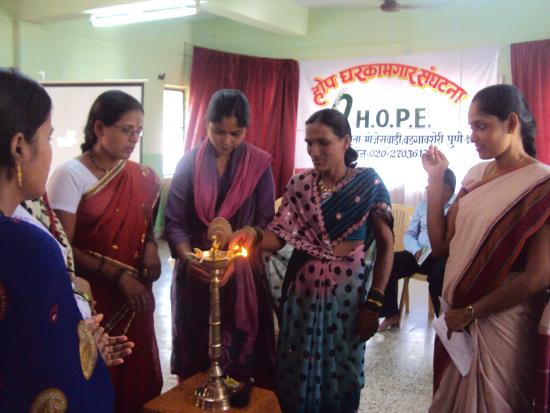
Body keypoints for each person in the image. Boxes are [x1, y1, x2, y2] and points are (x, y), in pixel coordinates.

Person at [231, 108, 394, 413]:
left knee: (341, 372)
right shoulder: (300, 186)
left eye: (323, 143)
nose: (314, 151)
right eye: (309, 143)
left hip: (348, 302)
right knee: (296, 367)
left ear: (346, 141)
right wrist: (252, 234)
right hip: (302, 297)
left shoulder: (368, 184)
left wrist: (374, 304)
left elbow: (386, 246)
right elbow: (278, 237)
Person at [423, 84, 549, 412]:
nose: (473, 136)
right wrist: (436, 180)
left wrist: (472, 312)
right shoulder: (476, 175)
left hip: (501, 323)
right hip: (457, 319)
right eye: (471, 127)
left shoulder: (541, 185)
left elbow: (536, 277)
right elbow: (439, 246)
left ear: (510, 123)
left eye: (482, 126)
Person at [0, 68, 115, 412]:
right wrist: (88, 354)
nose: (52, 151)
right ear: (19, 146)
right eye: (49, 137)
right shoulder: (26, 247)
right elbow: (59, 381)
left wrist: (79, 339)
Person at [47, 90, 162, 412]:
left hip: (135, 294)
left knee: (136, 369)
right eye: (127, 130)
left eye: (139, 131)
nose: (134, 138)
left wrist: (152, 246)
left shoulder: (142, 175)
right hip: (95, 297)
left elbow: (146, 226)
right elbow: (64, 249)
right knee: (101, 372)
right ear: (99, 129)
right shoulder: (70, 175)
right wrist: (118, 275)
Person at [164, 89, 276, 386]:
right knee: (197, 362)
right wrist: (190, 259)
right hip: (197, 273)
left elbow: (267, 219)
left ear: (246, 130)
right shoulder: (188, 163)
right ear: (205, 123)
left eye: (235, 134)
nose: (226, 141)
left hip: (242, 273)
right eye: (218, 131)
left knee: (240, 363)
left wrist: (250, 234)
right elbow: (174, 222)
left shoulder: (259, 165)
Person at [378, 168, 456, 330]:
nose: (427, 187)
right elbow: (410, 234)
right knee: (387, 263)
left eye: (431, 184)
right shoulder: (422, 205)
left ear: (446, 188)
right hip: (419, 254)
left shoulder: (458, 207)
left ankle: (443, 324)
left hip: (443, 257)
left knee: (437, 277)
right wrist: (415, 250)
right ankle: (391, 314)